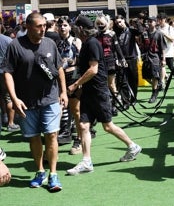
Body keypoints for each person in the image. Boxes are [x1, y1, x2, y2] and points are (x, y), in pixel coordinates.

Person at [66, 15, 142, 175]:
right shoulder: (88, 43)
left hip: (98, 92)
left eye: (74, 27)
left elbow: (93, 69)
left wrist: (75, 84)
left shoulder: (92, 43)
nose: (73, 30)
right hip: (88, 92)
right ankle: (86, 162)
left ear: (80, 28)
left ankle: (132, 146)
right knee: (83, 125)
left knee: (108, 126)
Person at [3, 12, 67, 192]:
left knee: (52, 135)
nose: (43, 29)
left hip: (50, 99)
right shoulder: (16, 45)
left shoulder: (50, 43)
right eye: (39, 26)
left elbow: (59, 68)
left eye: (44, 26)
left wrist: (63, 92)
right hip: (26, 102)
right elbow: (7, 72)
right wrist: (14, 98)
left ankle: (53, 174)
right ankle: (40, 171)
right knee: (34, 138)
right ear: (28, 27)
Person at [56, 16, 82, 153]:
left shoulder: (76, 41)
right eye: (60, 25)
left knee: (76, 110)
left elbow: (80, 60)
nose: (62, 27)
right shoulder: (57, 43)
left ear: (70, 27)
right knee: (61, 108)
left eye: (65, 25)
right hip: (61, 77)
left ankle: (79, 139)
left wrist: (71, 62)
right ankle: (61, 135)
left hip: (74, 76)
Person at [113, 14, 141, 103]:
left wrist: (137, 22)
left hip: (132, 58)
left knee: (133, 80)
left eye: (120, 22)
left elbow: (140, 31)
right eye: (117, 23)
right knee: (122, 81)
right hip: (121, 60)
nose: (119, 24)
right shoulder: (115, 33)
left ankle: (134, 98)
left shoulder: (131, 31)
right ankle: (125, 101)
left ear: (124, 20)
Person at [140, 16, 166, 103]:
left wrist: (163, 59)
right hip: (146, 57)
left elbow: (163, 48)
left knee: (155, 76)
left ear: (155, 22)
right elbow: (141, 45)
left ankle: (154, 94)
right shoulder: (144, 33)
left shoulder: (159, 33)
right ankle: (158, 85)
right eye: (149, 21)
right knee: (146, 76)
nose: (150, 23)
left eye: (151, 21)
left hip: (155, 58)